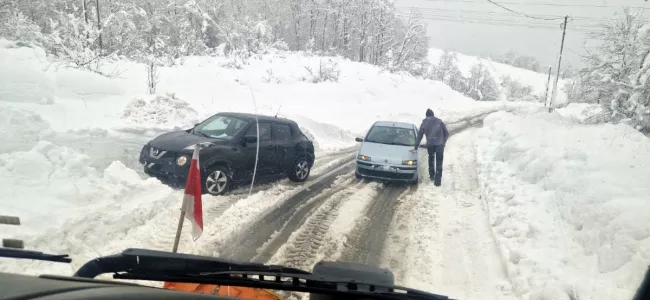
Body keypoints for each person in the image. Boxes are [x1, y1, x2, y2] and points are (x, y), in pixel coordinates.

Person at [410, 108, 449, 186]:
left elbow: (419, 135)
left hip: (430, 144)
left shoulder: (424, 123)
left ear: (426, 115)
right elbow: (446, 133)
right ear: (433, 114)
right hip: (440, 145)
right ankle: (437, 182)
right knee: (439, 162)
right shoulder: (439, 121)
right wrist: (443, 142)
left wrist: (416, 146)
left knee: (431, 159)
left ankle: (432, 176)